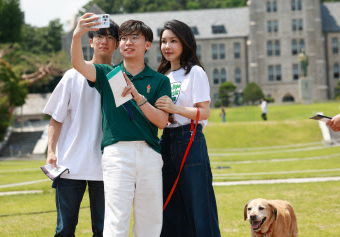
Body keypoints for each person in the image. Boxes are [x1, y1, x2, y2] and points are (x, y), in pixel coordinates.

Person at [71, 13, 171, 237]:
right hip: (117, 153)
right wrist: (77, 35)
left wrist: (138, 97)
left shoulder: (159, 81)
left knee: (150, 218)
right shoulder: (108, 73)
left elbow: (162, 121)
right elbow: (78, 64)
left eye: (134, 37)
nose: (127, 42)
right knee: (117, 219)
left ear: (147, 44)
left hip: (149, 153)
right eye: (124, 38)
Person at [43, 21, 120, 237]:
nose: (104, 41)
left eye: (110, 37)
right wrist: (51, 150)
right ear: (91, 41)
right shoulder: (72, 76)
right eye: (99, 36)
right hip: (70, 166)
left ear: (116, 44)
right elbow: (56, 118)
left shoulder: (120, 78)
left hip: (107, 167)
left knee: (104, 230)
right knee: (65, 229)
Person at [155, 19, 221, 237]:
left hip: (190, 139)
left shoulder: (194, 73)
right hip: (167, 140)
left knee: (198, 204)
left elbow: (204, 112)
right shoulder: (162, 76)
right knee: (170, 204)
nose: (167, 46)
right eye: (164, 41)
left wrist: (175, 108)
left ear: (185, 43)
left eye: (173, 41)